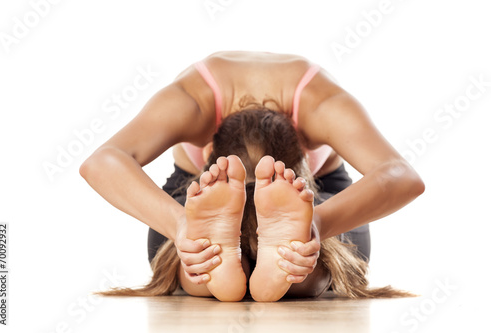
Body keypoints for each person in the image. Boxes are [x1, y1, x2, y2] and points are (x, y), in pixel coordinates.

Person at [80, 51, 425, 302]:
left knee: (200, 254)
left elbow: (401, 176)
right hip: (208, 194)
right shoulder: (192, 103)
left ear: (303, 156)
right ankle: (293, 271)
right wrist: (180, 224)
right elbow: (101, 163)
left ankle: (204, 275)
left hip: (311, 193)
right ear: (208, 152)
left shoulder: (320, 107)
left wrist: (319, 221)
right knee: (304, 253)